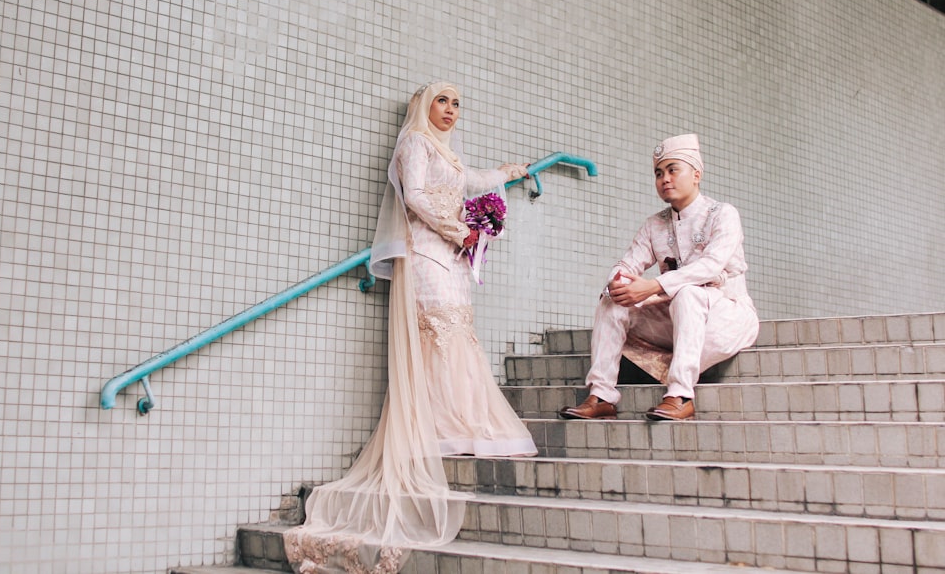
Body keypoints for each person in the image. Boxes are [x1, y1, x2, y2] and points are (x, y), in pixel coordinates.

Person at [283, 81, 536, 574]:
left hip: (455, 257)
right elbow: (417, 195)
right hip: (424, 252)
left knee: (458, 331)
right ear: (423, 106)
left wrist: (506, 174)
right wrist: (456, 229)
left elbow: (468, 181)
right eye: (442, 101)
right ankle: (436, 423)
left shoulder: (448, 153)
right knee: (438, 330)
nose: (451, 110)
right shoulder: (414, 144)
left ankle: (461, 419)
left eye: (457, 103)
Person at [559, 133, 758, 422]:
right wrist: (617, 284)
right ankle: (601, 396)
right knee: (614, 300)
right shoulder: (656, 224)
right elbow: (626, 265)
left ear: (697, 174)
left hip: (727, 316)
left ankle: (680, 396)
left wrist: (653, 286)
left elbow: (712, 266)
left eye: (673, 170)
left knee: (688, 293)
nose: (665, 179)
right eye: (658, 173)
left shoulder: (723, 214)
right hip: (680, 317)